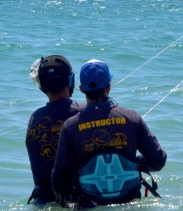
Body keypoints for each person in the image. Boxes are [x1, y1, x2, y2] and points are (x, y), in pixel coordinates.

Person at [52, 59, 167, 207]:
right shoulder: (132, 118)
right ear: (109, 86)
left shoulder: (70, 126)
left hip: (89, 204)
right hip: (129, 203)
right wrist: (133, 163)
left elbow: (59, 179)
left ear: (81, 89)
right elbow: (158, 161)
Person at [25, 55, 85, 205]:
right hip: (78, 200)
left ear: (42, 86)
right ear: (70, 81)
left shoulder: (34, 118)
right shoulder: (84, 111)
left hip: (42, 201)